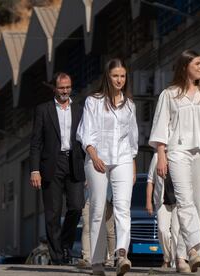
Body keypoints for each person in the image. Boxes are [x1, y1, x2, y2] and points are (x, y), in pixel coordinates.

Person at [149, 49, 200, 273]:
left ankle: (181, 257)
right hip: (177, 151)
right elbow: (160, 128)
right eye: (198, 63)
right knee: (184, 200)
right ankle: (195, 250)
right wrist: (161, 156)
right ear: (185, 66)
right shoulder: (169, 94)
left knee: (195, 204)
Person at [76, 58, 138, 276]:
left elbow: (132, 139)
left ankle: (122, 255)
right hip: (97, 158)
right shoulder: (94, 101)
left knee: (123, 207)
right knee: (98, 209)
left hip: (122, 158)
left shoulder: (130, 105)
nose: (119, 80)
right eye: (115, 76)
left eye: (122, 76)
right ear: (107, 77)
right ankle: (97, 261)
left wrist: (132, 163)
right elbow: (85, 133)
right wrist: (93, 156)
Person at [29, 72, 85, 265]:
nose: (65, 91)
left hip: (74, 162)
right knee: (53, 213)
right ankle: (57, 256)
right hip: (51, 165)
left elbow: (85, 139)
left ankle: (65, 245)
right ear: (55, 88)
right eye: (61, 88)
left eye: (68, 87)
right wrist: (34, 170)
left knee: (76, 207)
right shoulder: (43, 110)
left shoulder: (79, 109)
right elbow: (35, 143)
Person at [146, 152, 179, 268]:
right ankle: (167, 257)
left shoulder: (179, 154)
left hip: (177, 202)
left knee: (176, 232)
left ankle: (175, 262)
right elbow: (150, 180)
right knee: (162, 230)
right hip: (161, 201)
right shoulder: (156, 157)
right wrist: (148, 202)